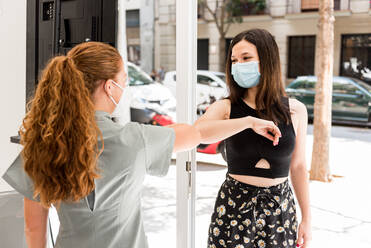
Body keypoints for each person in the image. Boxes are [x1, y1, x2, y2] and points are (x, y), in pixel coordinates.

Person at [2, 41, 281, 248]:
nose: (126, 89)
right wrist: (247, 122)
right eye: (124, 81)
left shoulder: (42, 146)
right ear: (110, 87)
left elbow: (32, 229)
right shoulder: (133, 140)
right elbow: (198, 133)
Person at [194, 29, 312, 248]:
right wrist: (248, 122)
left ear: (267, 60)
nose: (239, 65)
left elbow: (298, 166)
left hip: (280, 210)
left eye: (246, 58)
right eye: (234, 60)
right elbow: (198, 134)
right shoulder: (226, 107)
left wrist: (307, 218)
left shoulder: (295, 110)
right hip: (234, 207)